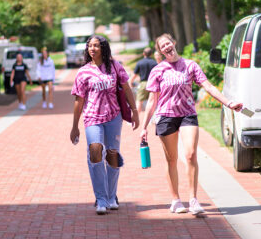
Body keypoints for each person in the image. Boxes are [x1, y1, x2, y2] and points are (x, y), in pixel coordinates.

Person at [140, 33, 243, 215]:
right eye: (162, 46)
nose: (166, 47)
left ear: (174, 42)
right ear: (160, 51)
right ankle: (175, 200)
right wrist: (144, 127)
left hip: (187, 114)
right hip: (165, 116)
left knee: (190, 154)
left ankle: (193, 200)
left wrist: (229, 103)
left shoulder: (190, 65)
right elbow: (151, 101)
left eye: (168, 43)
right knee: (171, 159)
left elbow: (208, 86)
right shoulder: (158, 70)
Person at [70, 35, 140, 215]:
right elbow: (79, 100)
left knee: (112, 155)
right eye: (89, 46)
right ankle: (100, 198)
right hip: (92, 117)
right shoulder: (83, 72)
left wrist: (134, 111)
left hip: (113, 116)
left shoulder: (115, 66)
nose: (92, 49)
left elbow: (126, 89)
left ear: (103, 48)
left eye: (96, 45)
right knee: (95, 152)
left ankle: (111, 196)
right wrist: (74, 126)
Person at [128, 47, 158, 112]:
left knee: (139, 101)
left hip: (143, 84)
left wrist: (130, 82)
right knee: (152, 102)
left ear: (143, 54)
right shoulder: (154, 63)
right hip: (153, 83)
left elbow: (135, 74)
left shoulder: (140, 62)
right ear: (151, 54)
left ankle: (136, 117)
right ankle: (152, 119)